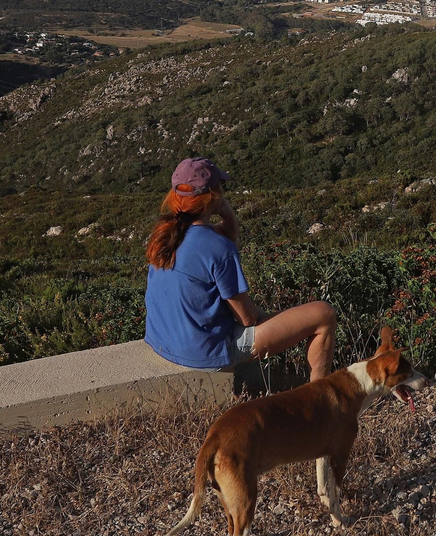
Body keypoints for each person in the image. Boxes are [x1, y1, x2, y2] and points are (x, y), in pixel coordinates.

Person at [144, 157, 337, 380]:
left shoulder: (163, 235)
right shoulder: (217, 247)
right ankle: (320, 401)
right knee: (324, 314)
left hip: (163, 342)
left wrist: (227, 218)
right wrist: (267, 316)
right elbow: (247, 319)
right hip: (205, 352)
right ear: (213, 195)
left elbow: (222, 237)